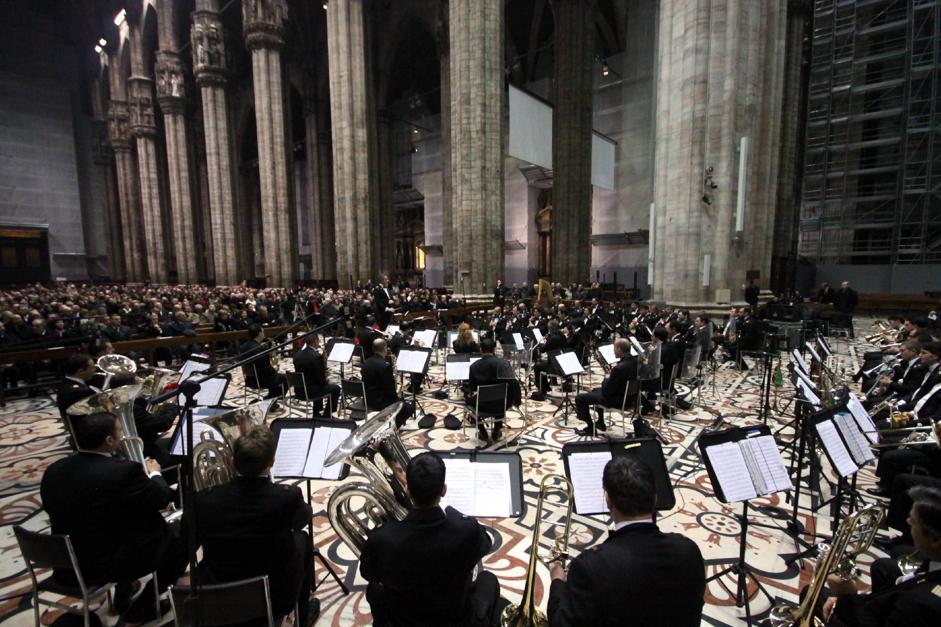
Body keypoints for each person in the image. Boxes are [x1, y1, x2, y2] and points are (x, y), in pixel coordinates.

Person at [40, 412, 185, 624]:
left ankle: (124, 590)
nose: (122, 435)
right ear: (109, 441)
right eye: (119, 431)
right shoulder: (123, 472)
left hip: (64, 563)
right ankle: (144, 608)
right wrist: (154, 474)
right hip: (105, 563)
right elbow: (162, 499)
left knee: (115, 524)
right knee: (183, 538)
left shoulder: (54, 469)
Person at [547, 457, 705, 627]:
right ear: (655, 498)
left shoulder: (590, 566)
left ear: (608, 501)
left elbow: (561, 623)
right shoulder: (689, 550)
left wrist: (557, 580)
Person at [192, 426, 320, 626]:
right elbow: (302, 520)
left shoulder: (204, 500)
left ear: (232, 462)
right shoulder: (286, 497)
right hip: (275, 598)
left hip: (217, 593)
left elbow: (189, 543)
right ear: (271, 463)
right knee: (302, 539)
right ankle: (302, 615)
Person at [360, 452, 503, 627]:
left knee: (374, 590)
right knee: (488, 579)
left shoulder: (382, 539)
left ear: (407, 490)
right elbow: (485, 544)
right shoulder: (465, 529)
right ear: (444, 489)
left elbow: (368, 573)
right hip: (454, 618)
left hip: (404, 620)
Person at [820, 485, 941, 626]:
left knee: (815, 597)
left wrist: (847, 595)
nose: (907, 521)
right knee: (882, 566)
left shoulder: (918, 603)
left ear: (935, 540)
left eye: (913, 521)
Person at [573, 338, 638, 437]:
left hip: (616, 400)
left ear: (620, 349)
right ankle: (600, 422)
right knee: (595, 390)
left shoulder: (619, 368)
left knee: (580, 398)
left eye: (615, 348)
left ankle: (590, 428)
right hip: (630, 397)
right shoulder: (635, 362)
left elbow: (608, 390)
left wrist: (606, 378)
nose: (613, 350)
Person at [466, 338, 517, 444]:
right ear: (494, 349)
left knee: (468, 401)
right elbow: (512, 383)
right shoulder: (503, 363)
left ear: (481, 350)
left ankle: (483, 432)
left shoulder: (474, 366)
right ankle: (496, 430)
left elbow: (473, 388)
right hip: (501, 404)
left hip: (482, 405)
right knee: (500, 396)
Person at [362, 338, 414, 428]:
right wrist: (398, 394)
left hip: (367, 399)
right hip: (380, 401)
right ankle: (391, 428)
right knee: (408, 408)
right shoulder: (385, 366)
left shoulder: (366, 362)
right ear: (385, 349)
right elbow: (390, 391)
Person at [292, 339, 340, 417]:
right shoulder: (316, 356)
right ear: (315, 341)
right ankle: (327, 415)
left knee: (316, 384)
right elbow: (321, 381)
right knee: (336, 388)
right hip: (310, 392)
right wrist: (325, 377)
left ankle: (317, 412)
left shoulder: (297, 355)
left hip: (298, 390)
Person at [240, 323, 286, 400]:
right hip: (260, 380)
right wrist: (275, 369)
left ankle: (270, 397)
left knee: (274, 376)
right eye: (263, 332)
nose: (264, 334)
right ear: (259, 333)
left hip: (249, 379)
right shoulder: (260, 348)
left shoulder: (243, 347)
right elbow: (266, 368)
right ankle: (272, 401)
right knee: (284, 378)